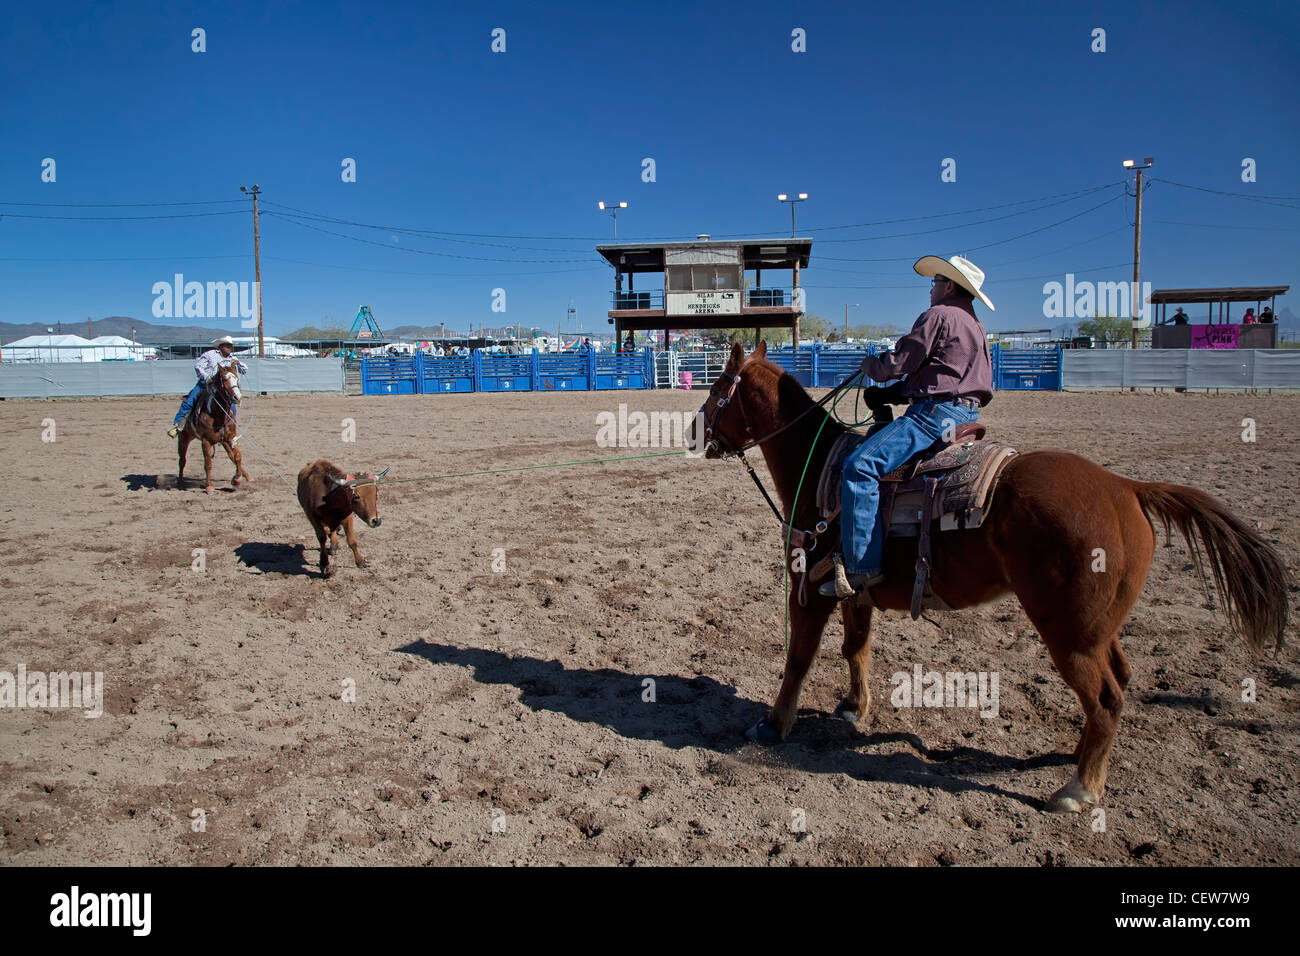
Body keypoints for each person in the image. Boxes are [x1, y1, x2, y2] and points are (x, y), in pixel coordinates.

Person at [821, 255, 995, 598]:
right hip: (964, 415)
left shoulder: (938, 316)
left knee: (859, 466)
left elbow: (900, 363)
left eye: (934, 283)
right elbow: (934, 375)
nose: (931, 289)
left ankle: (862, 568)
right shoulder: (975, 325)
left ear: (948, 285)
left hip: (933, 417)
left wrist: (872, 365)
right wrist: (888, 395)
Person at [167, 336, 249, 437]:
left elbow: (245, 370)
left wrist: (239, 363)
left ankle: (229, 430)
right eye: (227, 346)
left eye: (230, 346)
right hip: (205, 384)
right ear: (221, 346)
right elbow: (198, 366)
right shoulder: (210, 354)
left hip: (222, 388)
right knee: (190, 402)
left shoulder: (233, 358)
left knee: (232, 408)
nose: (229, 348)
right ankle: (178, 426)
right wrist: (207, 377)